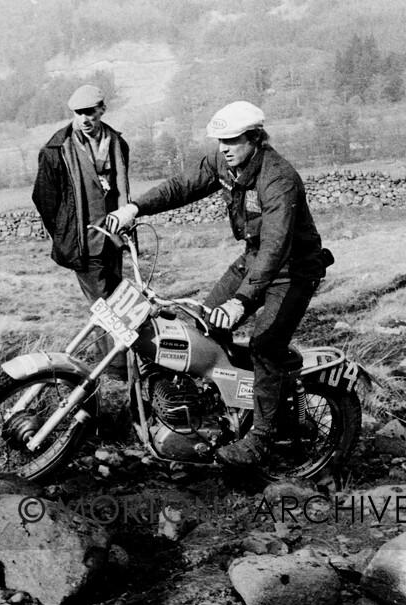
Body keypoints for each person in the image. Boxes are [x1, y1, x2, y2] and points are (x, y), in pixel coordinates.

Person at [105, 101, 333, 466]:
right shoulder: (225, 163)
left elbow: (276, 248)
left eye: (232, 139)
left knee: (266, 345)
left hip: (292, 270)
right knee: (204, 326)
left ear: (255, 137)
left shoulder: (279, 178)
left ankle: (261, 438)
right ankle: (216, 412)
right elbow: (183, 187)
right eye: (220, 140)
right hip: (253, 260)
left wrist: (241, 301)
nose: (224, 147)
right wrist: (135, 208)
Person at [32, 84, 130, 378]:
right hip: (83, 242)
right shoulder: (56, 149)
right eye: (78, 113)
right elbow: (44, 199)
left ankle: (122, 359)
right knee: (102, 304)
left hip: (113, 237)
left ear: (102, 109)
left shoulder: (117, 143)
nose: (85, 119)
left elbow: (123, 189)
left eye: (90, 112)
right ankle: (113, 368)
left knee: (118, 298)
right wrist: (66, 233)